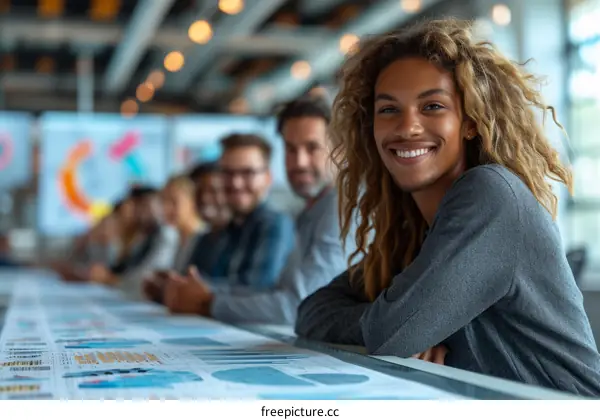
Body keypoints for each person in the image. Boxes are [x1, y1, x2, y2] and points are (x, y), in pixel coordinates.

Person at [294, 18, 600, 396]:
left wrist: (396, 323)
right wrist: (393, 321)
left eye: (432, 106)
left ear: (469, 121)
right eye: (388, 110)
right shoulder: (417, 236)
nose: (408, 127)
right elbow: (312, 310)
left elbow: (392, 333)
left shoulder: (492, 193)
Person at [162, 96, 350, 324]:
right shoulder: (309, 213)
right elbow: (274, 292)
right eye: (291, 149)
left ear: (338, 150)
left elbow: (297, 307)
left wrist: (207, 302)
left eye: (312, 148)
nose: (299, 161)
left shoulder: (339, 208)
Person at [162, 133, 296, 313]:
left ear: (267, 178)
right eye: (228, 172)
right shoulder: (226, 229)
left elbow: (259, 289)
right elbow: (197, 280)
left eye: (247, 173)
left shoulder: (275, 225)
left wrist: (202, 293)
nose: (236, 183)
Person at [90, 186, 178, 299]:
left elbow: (147, 276)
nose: (141, 212)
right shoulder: (141, 236)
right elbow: (119, 268)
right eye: (138, 206)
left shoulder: (166, 234)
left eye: (146, 205)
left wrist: (111, 280)